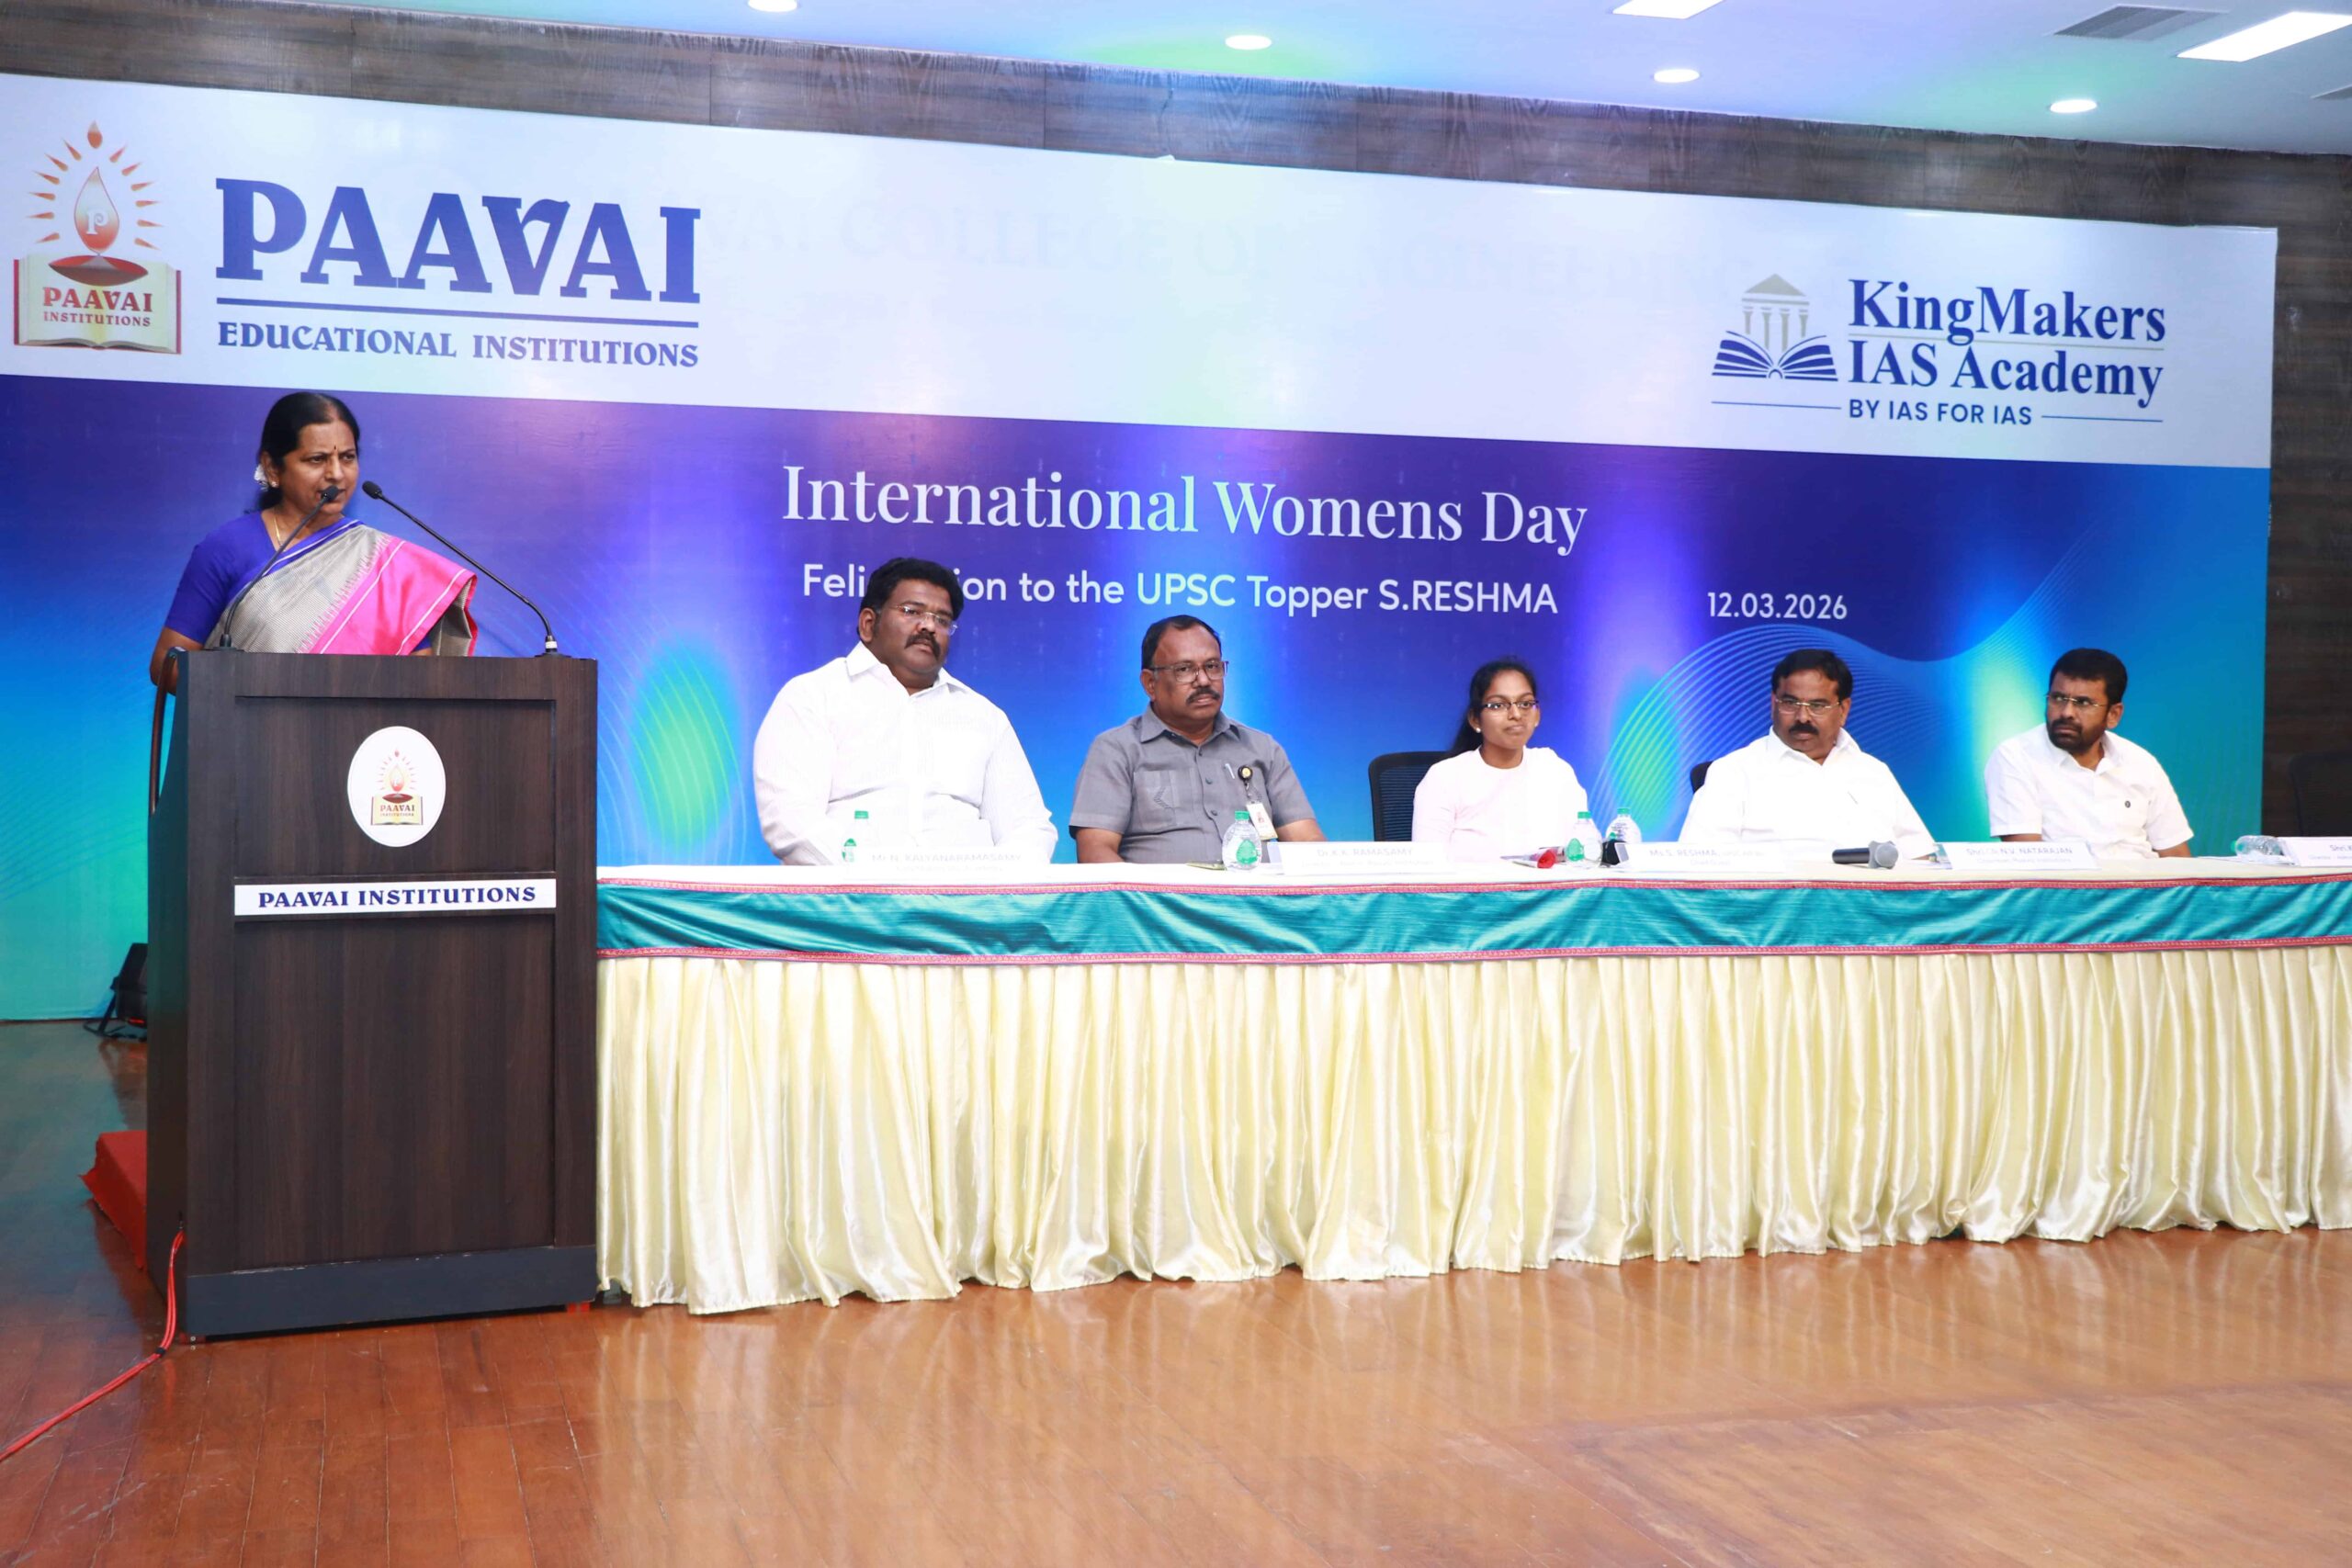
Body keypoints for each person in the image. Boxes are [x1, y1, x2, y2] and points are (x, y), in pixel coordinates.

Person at [149, 391, 476, 692]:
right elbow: (167, 664)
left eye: (347, 457)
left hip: (365, 736)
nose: (337, 474)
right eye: (317, 459)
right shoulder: (228, 548)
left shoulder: (388, 566)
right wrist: (249, 687)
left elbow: (421, 679)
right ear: (272, 467)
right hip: (253, 733)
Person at [753, 556, 1056, 864]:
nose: (929, 626)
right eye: (912, 611)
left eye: (942, 620)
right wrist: (873, 878)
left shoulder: (984, 716)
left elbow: (1028, 827)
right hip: (850, 890)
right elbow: (791, 820)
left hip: (968, 892)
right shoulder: (814, 696)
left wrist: (991, 883)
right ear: (868, 624)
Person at [1069, 615, 1324, 863]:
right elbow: (1095, 852)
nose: (1203, 680)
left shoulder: (1262, 748)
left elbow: (1308, 841)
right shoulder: (1116, 750)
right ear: (1150, 684)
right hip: (1161, 893)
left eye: (1212, 666)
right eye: (1184, 669)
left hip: (1257, 892)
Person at [1682, 647, 1933, 859]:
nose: (1803, 717)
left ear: (1843, 710)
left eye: (1817, 705)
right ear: (1773, 704)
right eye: (1791, 703)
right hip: (1775, 902)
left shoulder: (1874, 772)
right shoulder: (1734, 773)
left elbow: (1923, 859)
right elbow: (1698, 867)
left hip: (1872, 901)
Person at [1984, 648, 2190, 859]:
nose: (2066, 713)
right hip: (2064, 880)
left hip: (2144, 879)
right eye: (2058, 698)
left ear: (2113, 714)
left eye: (2083, 703)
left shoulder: (2141, 762)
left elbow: (2176, 854)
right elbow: (2028, 859)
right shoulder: (2016, 756)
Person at [1410, 658, 1589, 860]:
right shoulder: (1445, 777)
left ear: (1537, 715)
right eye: (1498, 705)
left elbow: (1585, 851)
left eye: (1525, 704)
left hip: (1550, 882)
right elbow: (1426, 865)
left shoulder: (1555, 770)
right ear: (1475, 719)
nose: (1516, 714)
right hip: (1471, 882)